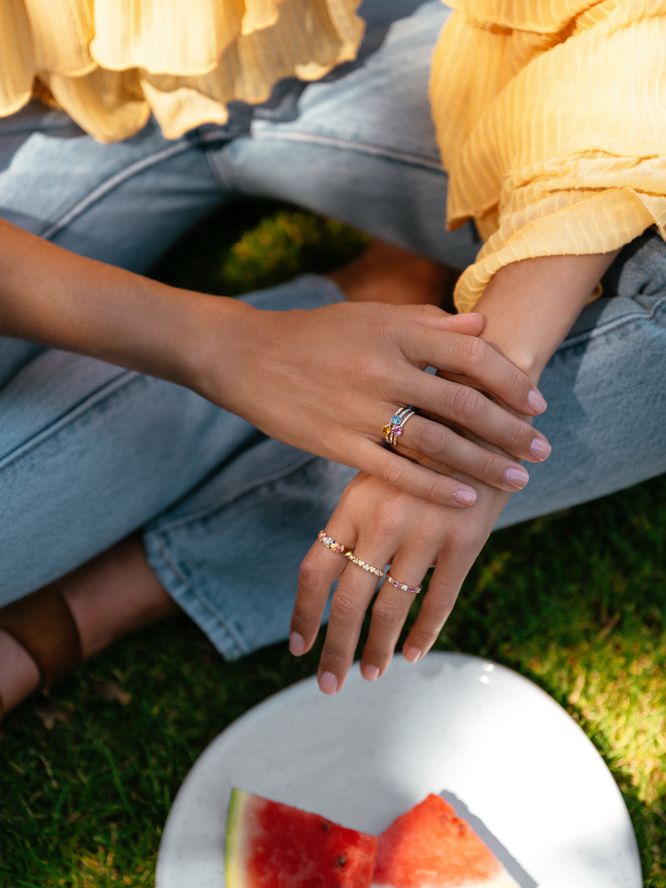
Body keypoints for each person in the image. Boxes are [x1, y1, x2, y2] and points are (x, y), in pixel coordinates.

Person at [0, 0, 664, 714]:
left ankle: (113, 593)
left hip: (384, 38)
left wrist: (482, 389)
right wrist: (221, 346)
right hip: (49, 89)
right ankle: (359, 314)